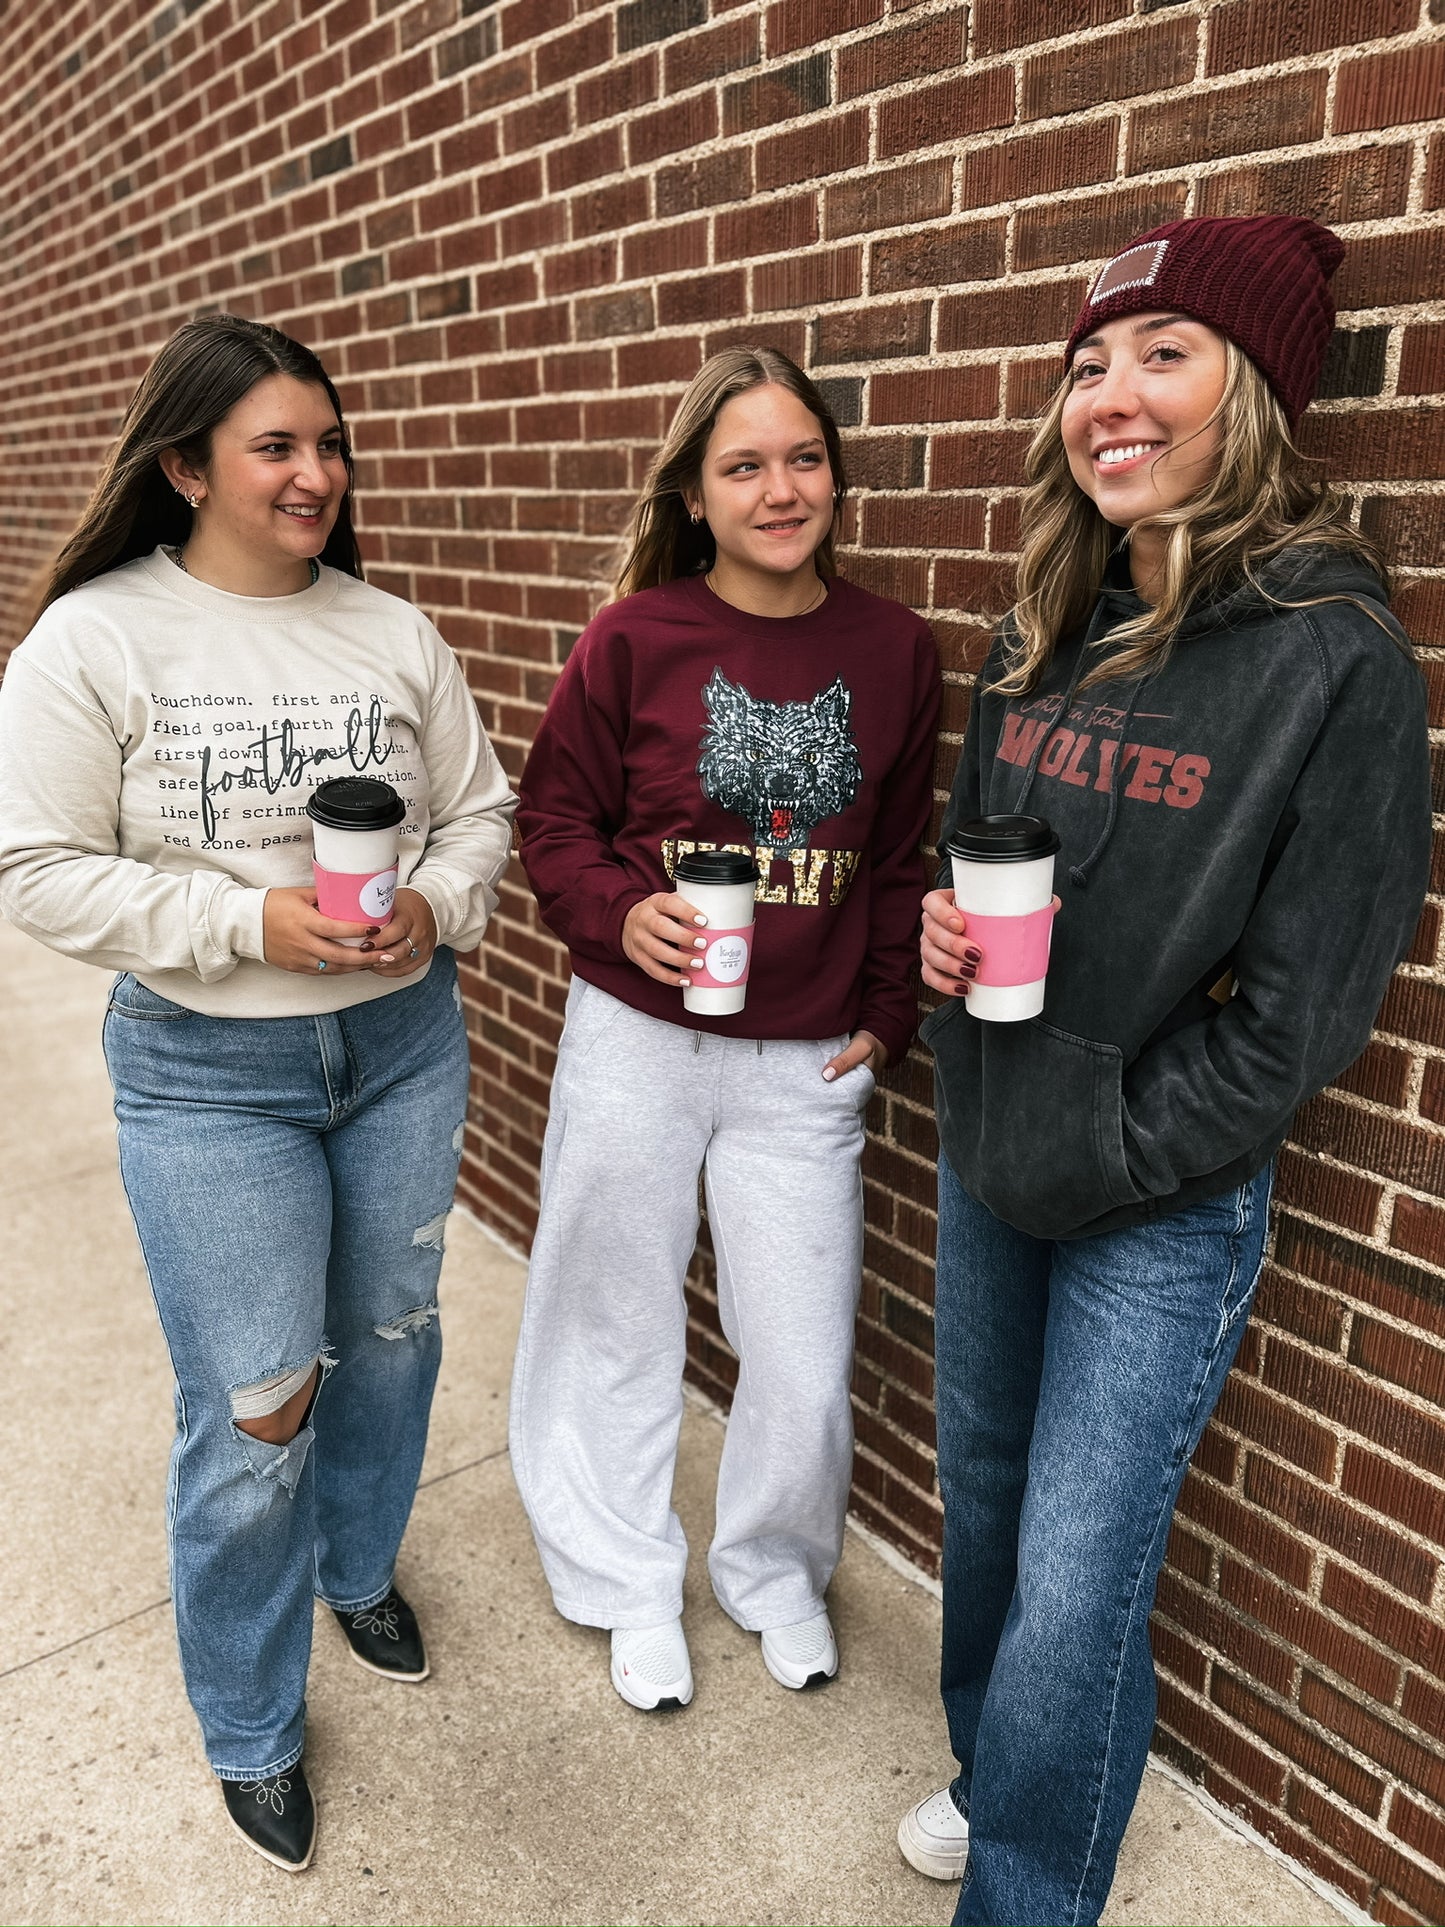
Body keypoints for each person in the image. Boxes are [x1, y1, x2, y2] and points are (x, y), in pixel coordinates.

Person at [897, 215, 1431, 1926]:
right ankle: (994, 1784)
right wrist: (936, 948)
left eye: (1162, 355)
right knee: (982, 1513)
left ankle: (1026, 1897)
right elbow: (992, 871)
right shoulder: (1041, 620)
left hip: (1153, 1197)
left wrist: (1120, 1140)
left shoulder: (1327, 656)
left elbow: (1301, 1018)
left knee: (1075, 1580)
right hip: (990, 1141)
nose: (1107, 397)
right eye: (1085, 362)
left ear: (1256, 394)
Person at [0, 314, 516, 1872]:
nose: (315, 473)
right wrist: (244, 922)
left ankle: (356, 1569)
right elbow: (36, 867)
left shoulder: (391, 630)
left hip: (402, 1046)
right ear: (186, 464)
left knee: (390, 1339)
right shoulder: (99, 636)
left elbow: (479, 814)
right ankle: (249, 1718)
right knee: (257, 1402)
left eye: (328, 443)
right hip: (210, 1075)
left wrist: (436, 905)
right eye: (275, 445)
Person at [510, 347, 941, 1712]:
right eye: (742, 465)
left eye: (801, 458)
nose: (778, 487)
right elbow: (554, 823)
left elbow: (891, 856)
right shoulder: (633, 637)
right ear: (696, 495)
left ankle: (769, 1570)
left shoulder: (893, 649)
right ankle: (623, 1579)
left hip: (800, 1059)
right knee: (611, 1317)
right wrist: (613, 915)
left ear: (833, 475)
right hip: (637, 1034)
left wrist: (887, 1015)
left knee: (802, 1353)